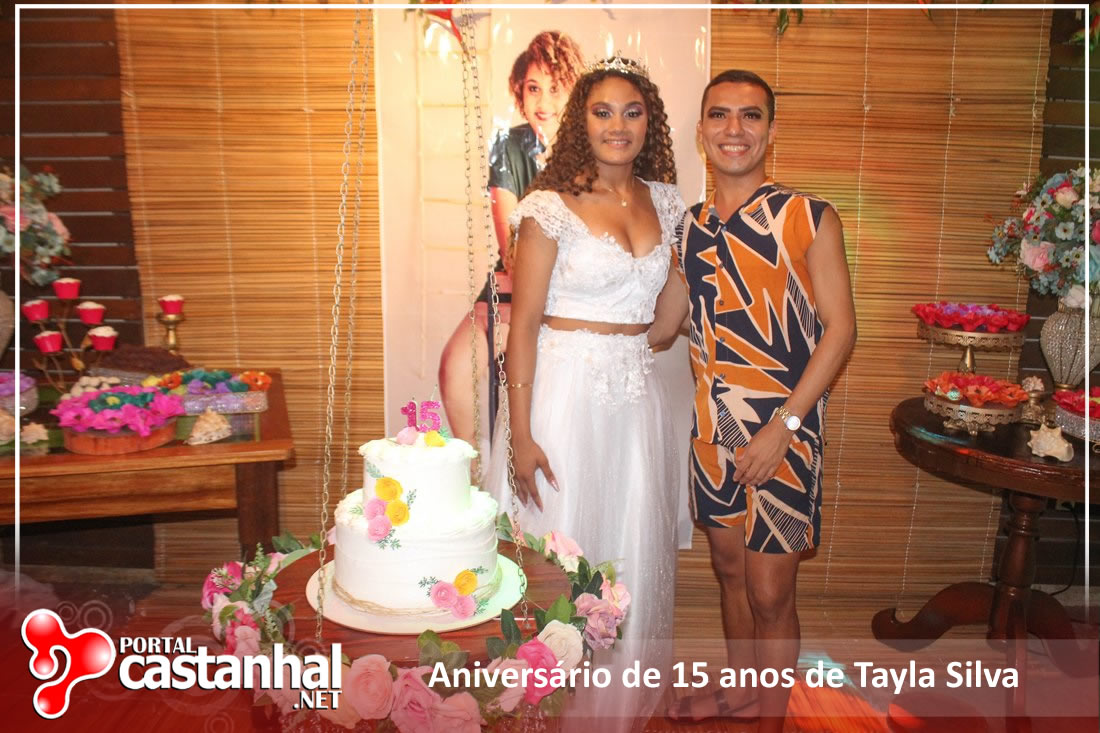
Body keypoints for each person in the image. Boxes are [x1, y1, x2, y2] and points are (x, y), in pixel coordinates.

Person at [651, 69, 856, 730]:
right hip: (711, 435)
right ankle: (743, 693)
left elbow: (841, 331)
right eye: (719, 115)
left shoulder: (808, 217)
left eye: (750, 115)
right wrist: (572, 322)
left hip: (783, 436)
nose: (733, 129)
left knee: (770, 592)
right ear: (701, 130)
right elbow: (665, 324)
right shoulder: (688, 228)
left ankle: (770, 721)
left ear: (770, 129)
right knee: (729, 570)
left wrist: (784, 427)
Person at [486, 56, 685, 728]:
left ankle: (609, 709)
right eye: (602, 112)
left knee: (626, 541)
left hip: (635, 395)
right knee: (561, 545)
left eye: (632, 112)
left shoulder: (666, 202)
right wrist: (521, 434)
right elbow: (522, 328)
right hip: (562, 393)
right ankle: (540, 710)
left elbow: (665, 318)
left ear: (649, 123)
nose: (617, 125)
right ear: (582, 122)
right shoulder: (549, 208)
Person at [438, 31, 585, 451]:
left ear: (575, 91)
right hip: (514, 285)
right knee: (456, 366)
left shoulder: (594, 152)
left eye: (555, 88)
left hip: (573, 296)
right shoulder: (508, 145)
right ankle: (475, 473)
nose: (544, 101)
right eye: (534, 88)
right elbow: (511, 248)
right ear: (519, 92)